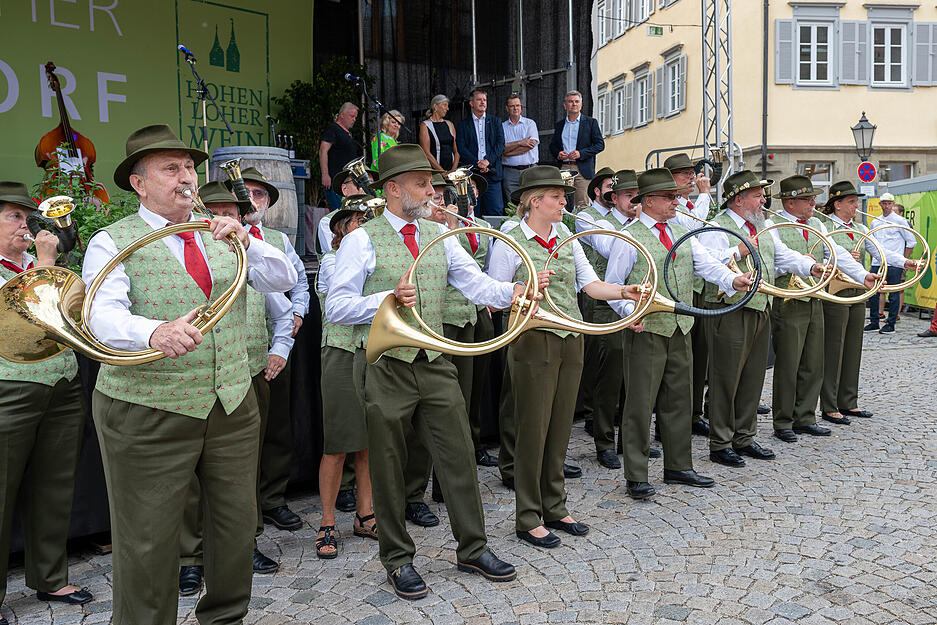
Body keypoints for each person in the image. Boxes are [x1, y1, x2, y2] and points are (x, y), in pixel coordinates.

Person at [82, 124, 297, 625]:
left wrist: (248, 239)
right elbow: (100, 315)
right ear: (139, 184)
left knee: (235, 526)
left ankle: (225, 616)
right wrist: (153, 332)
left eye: (189, 168)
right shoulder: (111, 240)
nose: (186, 178)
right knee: (148, 537)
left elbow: (283, 278)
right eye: (170, 169)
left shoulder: (221, 229)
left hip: (231, 402)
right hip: (149, 407)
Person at [325, 144, 526, 600]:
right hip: (386, 366)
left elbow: (474, 283)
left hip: (435, 362)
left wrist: (514, 290)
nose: (432, 191)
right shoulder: (360, 239)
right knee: (390, 466)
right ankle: (397, 559)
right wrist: (385, 300)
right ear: (393, 189)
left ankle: (472, 548)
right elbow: (336, 306)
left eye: (431, 183)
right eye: (422, 183)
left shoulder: (440, 236)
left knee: (458, 457)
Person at [487, 165, 645, 549]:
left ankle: (554, 506)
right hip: (532, 338)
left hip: (571, 335)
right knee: (532, 428)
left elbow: (590, 285)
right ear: (535, 200)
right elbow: (492, 291)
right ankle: (527, 515)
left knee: (559, 427)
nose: (565, 201)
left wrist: (625, 291)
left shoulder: (566, 237)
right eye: (558, 197)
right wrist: (521, 286)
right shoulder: (511, 237)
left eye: (564, 196)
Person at [178, 180, 296, 593]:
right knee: (190, 476)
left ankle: (245, 544)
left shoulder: (243, 252)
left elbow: (283, 300)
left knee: (242, 471)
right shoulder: (181, 251)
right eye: (218, 211)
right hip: (188, 378)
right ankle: (190, 556)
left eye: (233, 211)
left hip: (247, 374)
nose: (226, 218)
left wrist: (280, 349)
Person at [605, 169, 750, 500]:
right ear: (650, 201)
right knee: (640, 404)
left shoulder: (681, 230)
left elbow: (707, 264)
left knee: (680, 400)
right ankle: (637, 474)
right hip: (646, 330)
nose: (676, 201)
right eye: (670, 197)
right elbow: (613, 288)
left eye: (676, 196)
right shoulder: (629, 238)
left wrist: (731, 280)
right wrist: (630, 315)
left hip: (681, 326)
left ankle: (678, 466)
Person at [696, 171, 837, 468]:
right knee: (726, 378)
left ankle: (744, 436)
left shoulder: (762, 225)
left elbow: (781, 255)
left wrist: (810, 267)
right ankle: (721, 442)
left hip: (761, 306)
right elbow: (707, 260)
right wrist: (739, 248)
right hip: (729, 309)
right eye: (758, 195)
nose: (763, 200)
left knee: (753, 376)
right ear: (738, 199)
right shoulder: (716, 225)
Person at [0, 183, 93, 625]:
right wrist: (48, 263)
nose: (27, 225)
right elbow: (27, 314)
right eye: (15, 217)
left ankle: (50, 576)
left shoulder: (40, 265)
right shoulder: (36, 268)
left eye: (28, 216)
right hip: (8, 390)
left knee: (54, 485)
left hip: (61, 382)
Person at [766, 176, 878, 443]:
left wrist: (863, 276)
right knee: (789, 363)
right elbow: (778, 258)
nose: (813, 204)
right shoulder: (773, 225)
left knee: (813, 362)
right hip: (789, 300)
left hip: (814, 297)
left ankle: (805, 416)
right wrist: (806, 265)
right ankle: (783, 421)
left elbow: (835, 252)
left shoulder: (816, 223)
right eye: (807, 199)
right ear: (790, 202)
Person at [238, 167, 311, 533]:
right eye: (246, 192)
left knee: (278, 430)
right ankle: (246, 508)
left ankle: (273, 500)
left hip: (277, 345)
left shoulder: (280, 241)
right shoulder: (222, 237)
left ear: (267, 203)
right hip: (239, 354)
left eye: (259, 194)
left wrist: (298, 312)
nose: (252, 200)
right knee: (244, 439)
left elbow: (298, 284)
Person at [818, 182, 918, 417]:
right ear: (838, 204)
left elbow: (880, 252)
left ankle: (848, 400)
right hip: (834, 292)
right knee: (834, 348)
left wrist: (905, 262)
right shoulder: (824, 226)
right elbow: (821, 254)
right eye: (852, 202)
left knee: (853, 347)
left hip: (857, 290)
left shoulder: (861, 227)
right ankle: (829, 406)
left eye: (856, 201)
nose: (856, 206)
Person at [315, 196, 377, 558]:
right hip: (339, 352)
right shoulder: (330, 261)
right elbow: (342, 307)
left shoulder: (374, 256)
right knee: (337, 444)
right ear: (340, 228)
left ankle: (365, 515)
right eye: (352, 221)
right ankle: (326, 521)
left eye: (364, 220)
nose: (359, 226)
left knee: (367, 440)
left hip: (370, 349)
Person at [437, 174, 498, 466]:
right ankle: (453, 450)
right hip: (449, 314)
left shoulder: (483, 227)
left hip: (477, 310)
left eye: (471, 189)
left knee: (476, 384)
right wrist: (451, 224)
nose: (468, 194)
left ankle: (474, 440)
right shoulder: (442, 227)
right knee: (454, 385)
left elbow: (486, 268)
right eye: (462, 189)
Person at [663, 153, 713, 436]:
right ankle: (674, 419)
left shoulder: (688, 204)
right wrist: (706, 195)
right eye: (685, 174)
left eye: (692, 173)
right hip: (677, 291)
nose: (692, 178)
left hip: (695, 286)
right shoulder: (676, 209)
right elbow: (692, 229)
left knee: (696, 358)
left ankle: (693, 413)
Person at [573, 166, 616, 461]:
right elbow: (605, 246)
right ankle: (590, 412)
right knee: (595, 353)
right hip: (595, 292)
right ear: (597, 191)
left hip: (615, 293)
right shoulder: (587, 216)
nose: (614, 191)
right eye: (610, 186)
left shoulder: (619, 216)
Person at [866, 192, 916, 333]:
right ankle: (874, 322)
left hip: (895, 263)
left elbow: (912, 242)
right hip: (878, 262)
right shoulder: (875, 222)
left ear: (893, 204)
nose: (887, 206)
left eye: (889, 203)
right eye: (884, 203)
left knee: (893, 294)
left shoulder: (900, 221)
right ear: (880, 204)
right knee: (873, 292)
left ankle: (891, 324)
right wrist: (871, 263)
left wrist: (904, 262)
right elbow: (871, 245)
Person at [548, 90, 605, 207]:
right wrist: (558, 154)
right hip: (563, 167)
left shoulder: (590, 122)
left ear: (581, 105)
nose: (574, 104)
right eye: (570, 102)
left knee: (582, 203)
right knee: (560, 202)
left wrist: (581, 153)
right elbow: (552, 146)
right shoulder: (560, 125)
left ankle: (582, 225)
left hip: (582, 168)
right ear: (565, 105)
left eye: (576, 101)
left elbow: (600, 145)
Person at [455, 89, 505, 215]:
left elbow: (500, 145)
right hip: (473, 175)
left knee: (496, 211)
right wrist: (478, 164)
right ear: (471, 103)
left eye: (484, 100)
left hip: (492, 174)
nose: (482, 102)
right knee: (472, 211)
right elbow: (461, 148)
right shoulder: (462, 125)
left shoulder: (495, 122)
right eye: (479, 100)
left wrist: (487, 162)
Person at [319, 102, 362, 210]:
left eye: (355, 117)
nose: (354, 119)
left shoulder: (347, 133)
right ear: (342, 115)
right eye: (351, 116)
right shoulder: (333, 129)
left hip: (347, 181)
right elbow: (323, 150)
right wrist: (325, 174)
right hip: (335, 181)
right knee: (340, 211)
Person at [501, 95, 540, 202]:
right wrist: (521, 142)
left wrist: (508, 151)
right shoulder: (502, 127)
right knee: (512, 204)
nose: (515, 108)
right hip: (510, 172)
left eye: (517, 105)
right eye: (512, 106)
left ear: (521, 108)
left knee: (532, 202)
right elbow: (500, 149)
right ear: (507, 108)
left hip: (529, 170)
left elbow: (529, 147)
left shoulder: (530, 124)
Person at [419, 95, 458, 172]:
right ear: (435, 107)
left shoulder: (449, 124)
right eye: (444, 105)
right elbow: (426, 153)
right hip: (435, 172)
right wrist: (442, 172)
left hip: (452, 171)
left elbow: (457, 151)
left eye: (447, 106)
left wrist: (453, 170)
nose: (447, 108)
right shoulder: (425, 125)